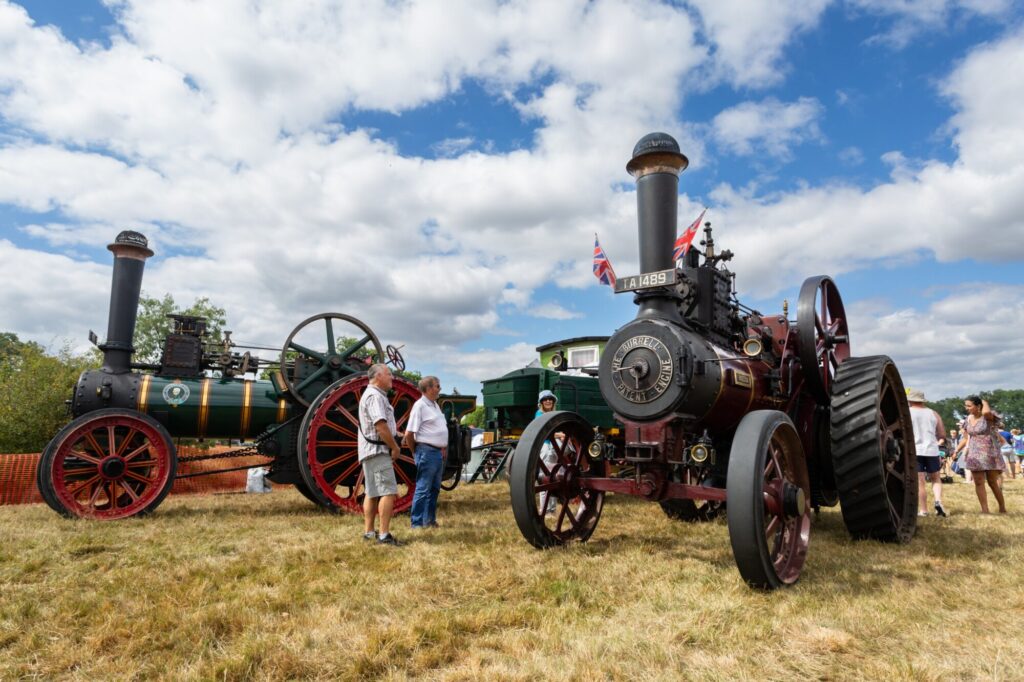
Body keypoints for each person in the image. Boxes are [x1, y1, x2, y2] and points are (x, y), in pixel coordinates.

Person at [358, 363, 403, 545]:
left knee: (372, 492)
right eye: (389, 374)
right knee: (388, 491)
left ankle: (369, 533)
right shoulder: (375, 396)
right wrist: (395, 447)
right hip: (378, 451)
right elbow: (380, 426)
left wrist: (397, 435)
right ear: (377, 376)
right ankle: (384, 535)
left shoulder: (371, 395)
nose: (392, 377)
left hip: (369, 451)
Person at [403, 376, 448, 529]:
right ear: (428, 389)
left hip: (436, 452)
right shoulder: (420, 406)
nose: (439, 389)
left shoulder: (434, 405)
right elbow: (409, 434)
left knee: (434, 489)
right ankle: (416, 523)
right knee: (423, 488)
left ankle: (429, 520)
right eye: (437, 386)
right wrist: (415, 452)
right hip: (426, 451)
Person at [953, 396, 1007, 514]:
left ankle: (1002, 507)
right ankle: (984, 510)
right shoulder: (967, 419)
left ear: (978, 406)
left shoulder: (988, 417)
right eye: (965, 406)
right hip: (974, 454)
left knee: (992, 482)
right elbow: (965, 438)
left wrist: (983, 401)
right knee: (978, 481)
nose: (966, 408)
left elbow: (986, 411)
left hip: (990, 453)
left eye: (969, 406)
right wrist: (956, 450)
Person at [907, 389, 947, 517]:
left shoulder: (907, 413)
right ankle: (938, 502)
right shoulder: (933, 413)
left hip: (915, 450)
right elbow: (942, 434)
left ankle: (924, 510)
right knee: (936, 478)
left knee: (920, 481)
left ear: (910, 400)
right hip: (932, 449)